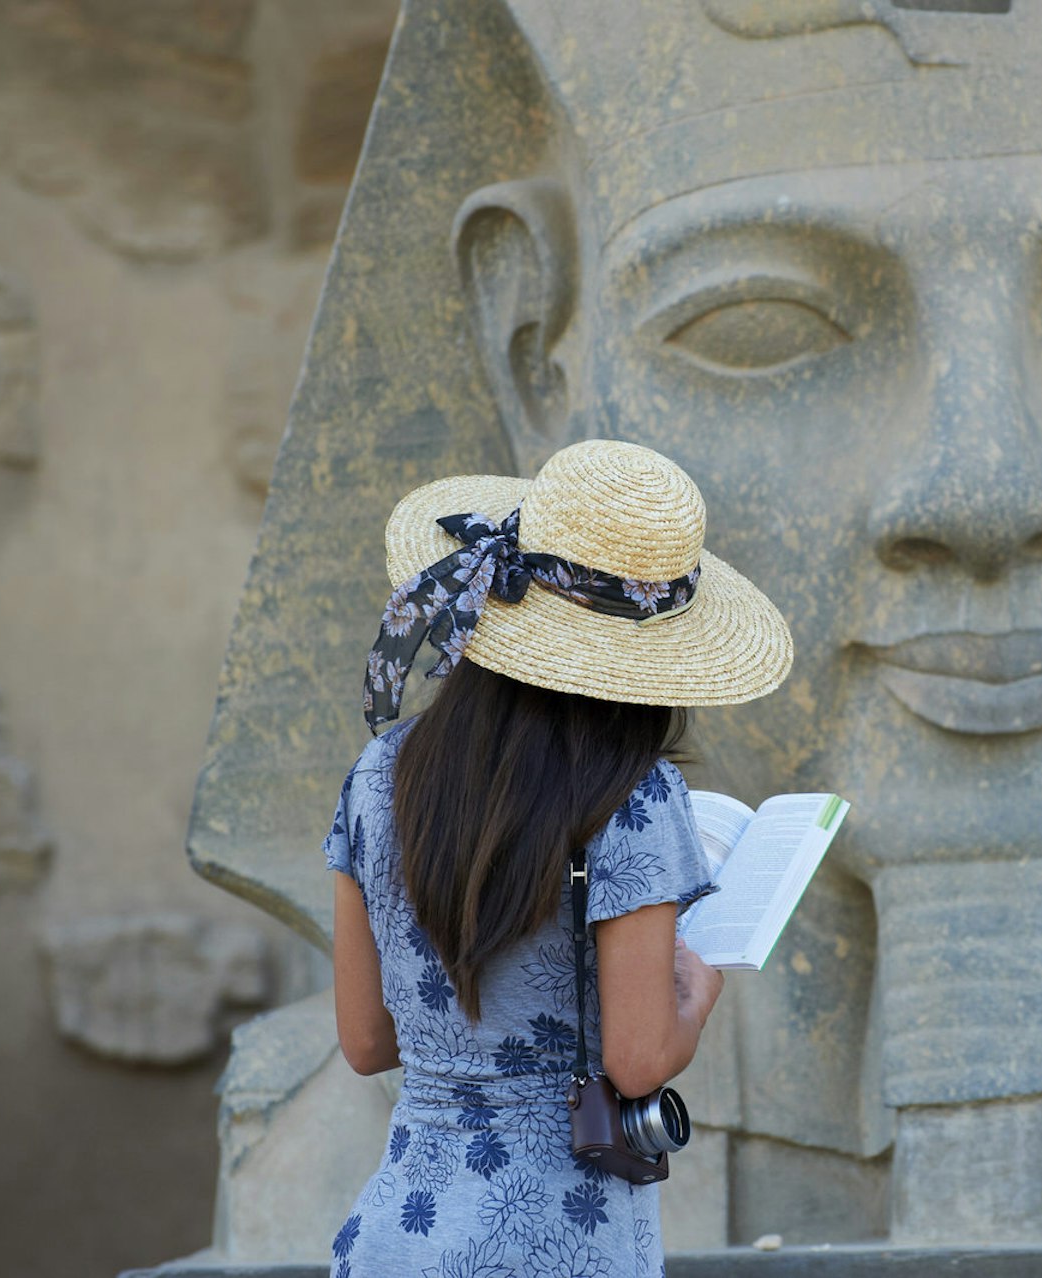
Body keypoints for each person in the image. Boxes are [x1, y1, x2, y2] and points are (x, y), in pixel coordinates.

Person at [321, 439, 793, 1278]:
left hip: (397, 1236)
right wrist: (697, 989)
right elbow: (638, 1059)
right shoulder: (635, 799)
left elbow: (365, 1040)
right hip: (560, 1242)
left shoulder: (379, 773)